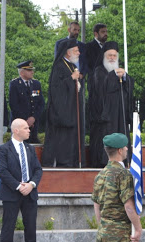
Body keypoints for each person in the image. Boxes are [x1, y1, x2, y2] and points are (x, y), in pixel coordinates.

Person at [0, 118, 44, 242]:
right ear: (16, 130)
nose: (29, 130)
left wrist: (31, 184)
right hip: (12, 193)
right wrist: (18, 186)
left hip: (30, 192)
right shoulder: (4, 149)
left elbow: (38, 169)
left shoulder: (30, 148)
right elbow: (2, 172)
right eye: (25, 128)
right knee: (8, 225)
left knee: (31, 225)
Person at [88, 41, 134, 168]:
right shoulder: (99, 71)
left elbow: (130, 86)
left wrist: (124, 77)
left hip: (120, 114)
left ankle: (124, 159)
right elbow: (101, 89)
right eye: (109, 55)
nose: (112, 58)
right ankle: (105, 161)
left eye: (114, 56)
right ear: (104, 57)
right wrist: (114, 76)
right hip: (106, 116)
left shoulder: (120, 70)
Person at [42, 39, 86, 168]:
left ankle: (73, 162)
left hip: (72, 111)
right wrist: (70, 79)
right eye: (76, 51)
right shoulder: (59, 66)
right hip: (61, 113)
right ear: (68, 52)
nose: (79, 53)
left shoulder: (72, 66)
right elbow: (55, 89)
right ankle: (63, 163)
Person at [8, 60, 44, 143]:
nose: (32, 72)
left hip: (34, 125)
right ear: (22, 73)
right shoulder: (15, 84)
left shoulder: (36, 84)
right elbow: (14, 105)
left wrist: (33, 118)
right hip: (19, 125)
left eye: (32, 70)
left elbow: (41, 103)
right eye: (29, 70)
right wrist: (25, 121)